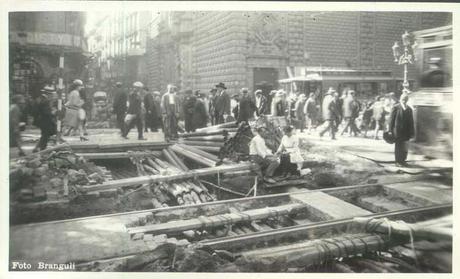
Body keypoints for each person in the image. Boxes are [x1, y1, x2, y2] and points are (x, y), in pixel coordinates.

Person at [389, 92, 414, 167]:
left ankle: (403, 161)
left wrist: (412, 131)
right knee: (398, 147)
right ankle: (398, 161)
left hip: (406, 132)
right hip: (398, 131)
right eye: (403, 99)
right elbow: (391, 120)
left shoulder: (409, 109)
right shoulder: (396, 107)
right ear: (400, 99)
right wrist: (390, 130)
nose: (404, 100)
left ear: (407, 100)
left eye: (406, 99)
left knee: (405, 147)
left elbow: (411, 121)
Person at [32, 86, 57, 152]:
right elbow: (46, 112)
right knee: (45, 135)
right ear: (48, 93)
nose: (52, 95)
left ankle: (37, 148)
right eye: (51, 94)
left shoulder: (40, 99)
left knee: (44, 135)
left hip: (41, 120)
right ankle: (42, 149)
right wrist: (53, 112)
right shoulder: (45, 100)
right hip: (45, 120)